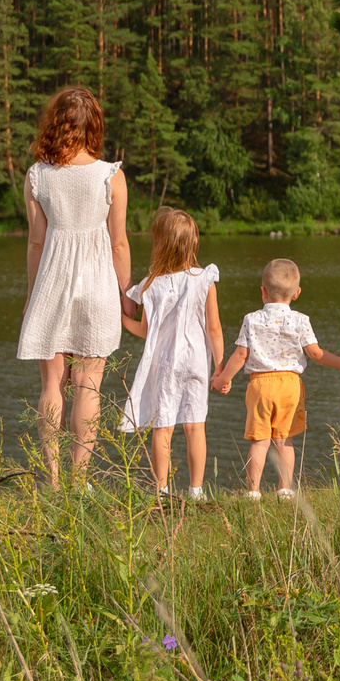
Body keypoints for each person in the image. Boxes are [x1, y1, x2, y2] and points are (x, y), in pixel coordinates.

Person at [13, 86, 128, 490]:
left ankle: (53, 478)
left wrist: (32, 295)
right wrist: (126, 293)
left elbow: (36, 243)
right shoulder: (111, 176)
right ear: (93, 125)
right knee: (88, 385)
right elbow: (118, 244)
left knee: (52, 384)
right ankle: (80, 481)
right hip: (98, 285)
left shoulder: (37, 176)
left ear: (55, 123)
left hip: (52, 283)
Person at [210, 259, 340, 499]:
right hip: (290, 386)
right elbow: (316, 354)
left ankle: (253, 492)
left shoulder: (251, 319)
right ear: (297, 293)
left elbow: (241, 355)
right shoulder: (301, 320)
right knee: (284, 440)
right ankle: (284, 490)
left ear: (263, 292)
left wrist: (222, 379)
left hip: (260, 385)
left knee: (259, 441)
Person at [120, 206, 222, 499]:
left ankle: (161, 490)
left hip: (165, 364)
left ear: (160, 245)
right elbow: (214, 328)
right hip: (197, 363)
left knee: (162, 427)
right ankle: (196, 490)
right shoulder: (204, 279)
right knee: (195, 426)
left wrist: (121, 319)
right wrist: (219, 367)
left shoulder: (152, 285)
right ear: (193, 243)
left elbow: (144, 331)